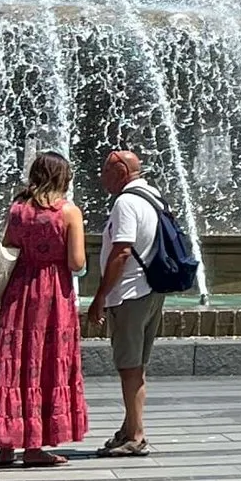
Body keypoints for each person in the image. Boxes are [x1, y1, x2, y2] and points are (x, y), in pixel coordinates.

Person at [0, 151, 87, 469]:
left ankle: (5, 446)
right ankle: (33, 447)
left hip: (19, 292)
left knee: (14, 365)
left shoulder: (18, 209)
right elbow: (76, 263)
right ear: (63, 177)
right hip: (52, 298)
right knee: (44, 364)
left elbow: (7, 251)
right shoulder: (69, 212)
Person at [86, 144, 163, 457]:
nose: (101, 176)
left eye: (105, 170)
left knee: (129, 367)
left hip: (130, 294)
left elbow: (122, 251)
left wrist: (100, 296)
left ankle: (136, 435)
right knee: (137, 366)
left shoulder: (126, 202)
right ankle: (129, 427)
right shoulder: (153, 196)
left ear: (120, 172)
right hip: (151, 292)